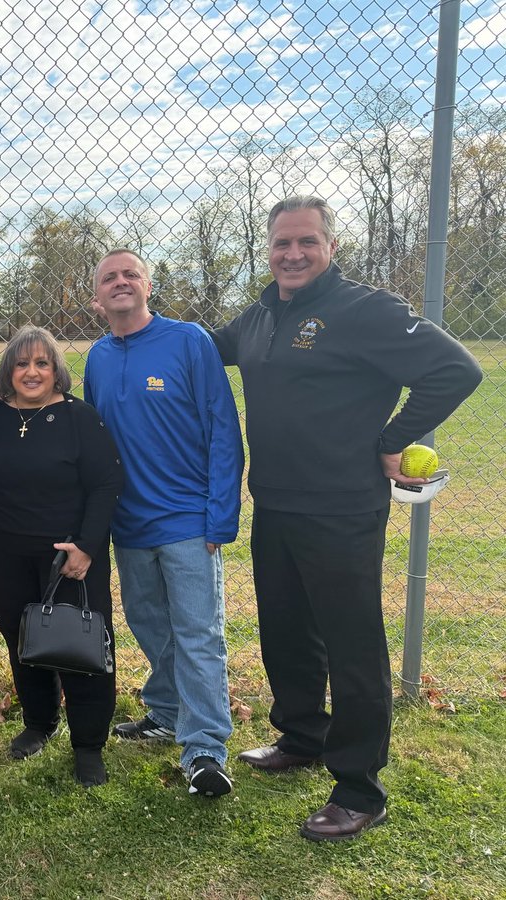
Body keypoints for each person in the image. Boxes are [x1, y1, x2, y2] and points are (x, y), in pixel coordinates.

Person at [212, 196, 483, 840]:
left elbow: (456, 369)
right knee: (285, 627)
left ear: (330, 247)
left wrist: (395, 439)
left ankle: (359, 786)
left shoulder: (366, 311)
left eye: (307, 242)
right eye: (282, 243)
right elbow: (197, 348)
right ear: (268, 249)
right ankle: (301, 736)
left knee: (351, 641)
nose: (293, 254)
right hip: (273, 499)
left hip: (341, 505)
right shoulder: (258, 317)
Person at [83, 249, 244, 798]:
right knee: (150, 626)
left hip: (189, 522)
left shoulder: (189, 342)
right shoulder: (98, 358)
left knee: (199, 634)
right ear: (96, 296)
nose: (121, 282)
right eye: (110, 277)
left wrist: (220, 517)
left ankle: (204, 751)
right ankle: (169, 711)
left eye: (131, 274)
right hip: (127, 527)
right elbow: (94, 450)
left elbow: (224, 431)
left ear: (149, 285)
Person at [0, 325, 122, 786]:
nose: (31, 372)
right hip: (3, 549)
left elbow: (107, 483)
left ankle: (88, 744)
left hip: (68, 553)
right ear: (7, 371)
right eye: (22, 364)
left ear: (56, 371)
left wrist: (87, 546)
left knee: (79, 644)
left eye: (42, 364)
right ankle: (39, 723)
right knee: (23, 637)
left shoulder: (79, 418)